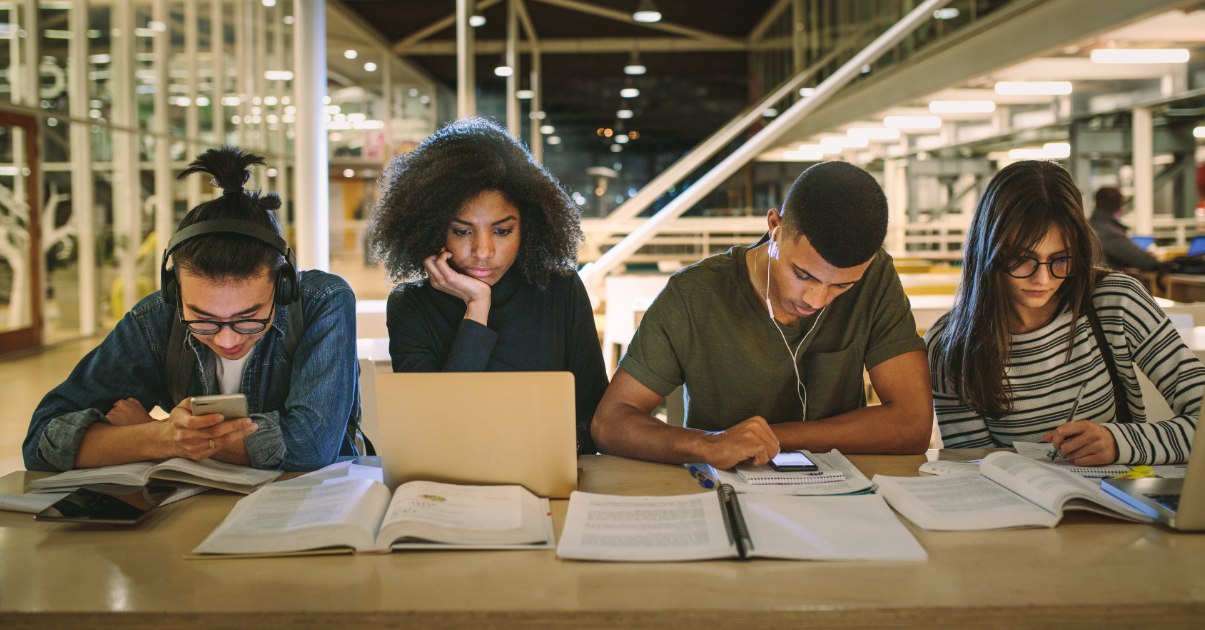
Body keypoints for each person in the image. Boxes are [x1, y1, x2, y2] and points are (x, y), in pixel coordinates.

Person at [24, 147, 362, 472]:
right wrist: (160, 436)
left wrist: (152, 433)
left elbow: (311, 446)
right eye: (203, 320)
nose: (227, 340)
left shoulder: (322, 302)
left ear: (283, 284)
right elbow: (42, 440)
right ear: (174, 292)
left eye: (249, 318)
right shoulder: (155, 318)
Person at [591, 161, 933, 469]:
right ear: (775, 227)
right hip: (725, 493)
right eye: (803, 274)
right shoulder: (694, 294)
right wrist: (708, 444)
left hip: (841, 497)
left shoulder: (876, 278)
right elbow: (609, 423)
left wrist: (771, 438)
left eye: (841, 287)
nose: (816, 299)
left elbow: (913, 425)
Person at [927, 161, 1201, 465]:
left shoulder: (1117, 302)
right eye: (1022, 259)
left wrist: (1120, 442)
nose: (1043, 279)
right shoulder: (950, 346)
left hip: (1120, 505)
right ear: (988, 252)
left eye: (1061, 260)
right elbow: (973, 467)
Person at [367, 117, 607, 454]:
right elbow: (434, 427)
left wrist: (559, 447)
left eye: (502, 230)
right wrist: (477, 307)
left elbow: (597, 417)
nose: (483, 251)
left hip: (546, 476)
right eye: (463, 231)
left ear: (528, 227)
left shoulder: (559, 290)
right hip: (451, 483)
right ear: (434, 229)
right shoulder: (411, 306)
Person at [1089, 186, 1160, 272]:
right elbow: (1145, 261)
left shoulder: (1087, 226)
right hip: (1104, 283)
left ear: (1095, 204)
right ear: (1120, 208)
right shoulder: (1110, 232)